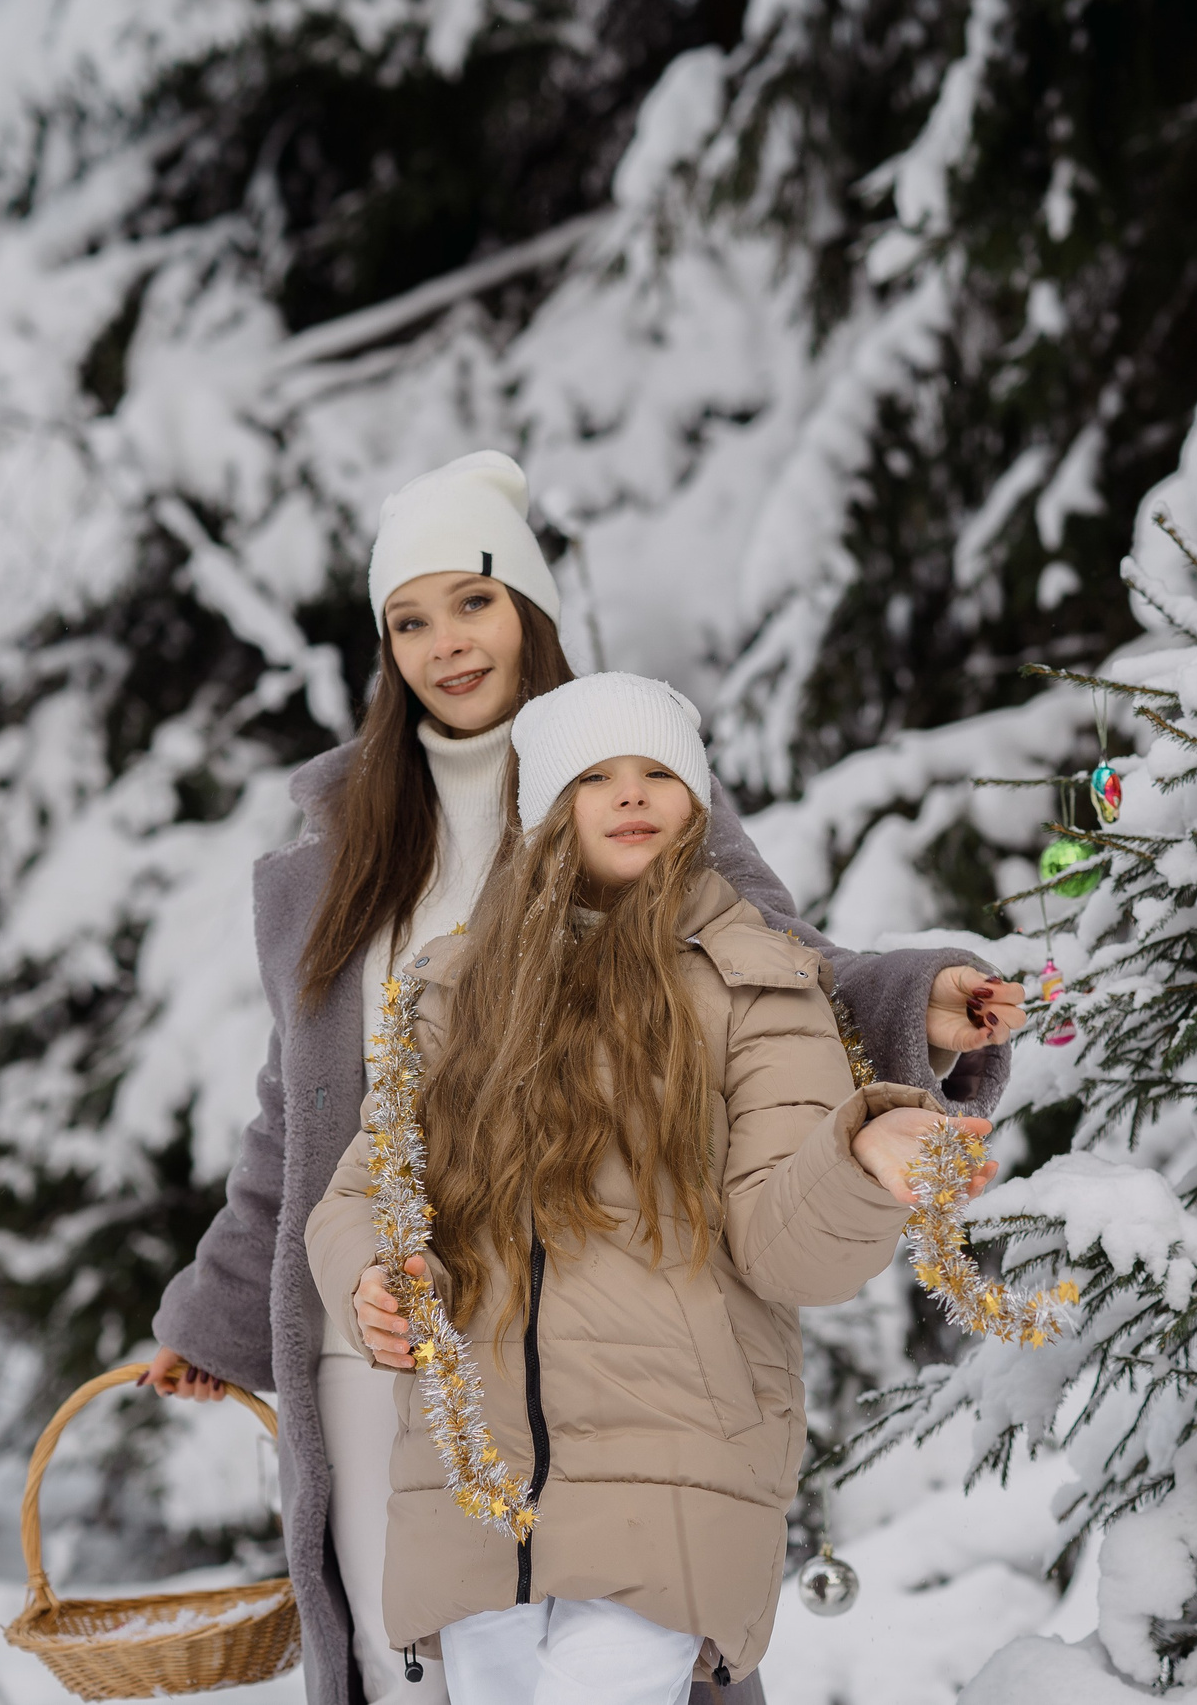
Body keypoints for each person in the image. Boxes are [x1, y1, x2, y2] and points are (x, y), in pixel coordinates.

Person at [141, 451, 1027, 1705]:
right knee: (417, 1676)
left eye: (476, 603)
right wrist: (221, 1323)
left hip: (616, 1369)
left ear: (532, 610)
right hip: (378, 1341)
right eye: (410, 619)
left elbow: (780, 985)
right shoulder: (333, 855)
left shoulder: (629, 778)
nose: (446, 644)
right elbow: (305, 1117)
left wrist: (914, 1003)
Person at [306, 672, 999, 1705]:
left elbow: (785, 1248)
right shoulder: (454, 992)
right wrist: (369, 1275)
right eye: (595, 777)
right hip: (476, 1480)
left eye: (657, 774)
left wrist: (857, 1161)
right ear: (545, 811)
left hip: (675, 1469)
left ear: (697, 805)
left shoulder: (759, 987)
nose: (631, 795)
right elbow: (366, 1188)